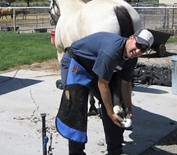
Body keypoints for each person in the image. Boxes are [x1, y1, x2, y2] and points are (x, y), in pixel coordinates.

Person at [60, 29, 154, 155]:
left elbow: (126, 84)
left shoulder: (131, 59)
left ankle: (115, 151)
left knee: (116, 108)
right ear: (131, 38)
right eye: (137, 46)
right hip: (77, 62)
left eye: (143, 49)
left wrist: (128, 108)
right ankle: (76, 152)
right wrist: (110, 113)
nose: (137, 51)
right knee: (76, 107)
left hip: (96, 69)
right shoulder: (111, 52)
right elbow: (102, 84)